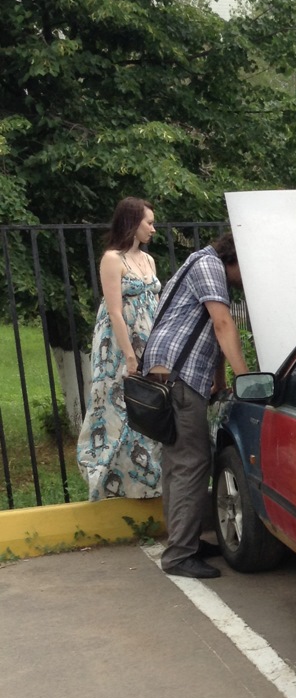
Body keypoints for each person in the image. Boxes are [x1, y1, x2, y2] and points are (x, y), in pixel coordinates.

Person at [140, 231, 249, 580]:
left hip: (170, 375)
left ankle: (184, 541)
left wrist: (219, 378)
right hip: (180, 377)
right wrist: (247, 377)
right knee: (192, 463)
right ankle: (179, 555)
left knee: (178, 465)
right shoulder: (210, 265)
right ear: (236, 258)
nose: (245, 281)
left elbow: (205, 332)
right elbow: (221, 324)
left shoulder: (200, 263)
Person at [76, 196, 163, 500]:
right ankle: (112, 485)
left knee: (148, 410)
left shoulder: (148, 260)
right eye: (149, 223)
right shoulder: (112, 259)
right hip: (117, 346)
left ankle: (148, 484)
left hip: (149, 340)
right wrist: (128, 354)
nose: (153, 228)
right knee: (117, 411)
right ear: (132, 222)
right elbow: (114, 311)